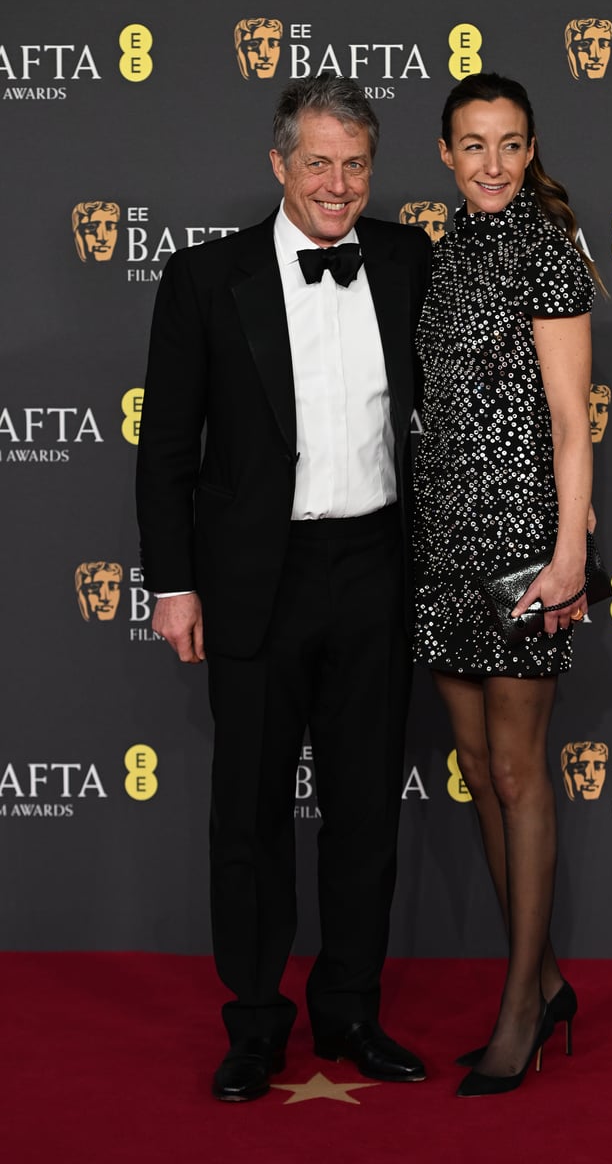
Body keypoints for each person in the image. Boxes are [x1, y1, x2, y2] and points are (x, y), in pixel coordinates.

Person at [136, 76, 431, 1102]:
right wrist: (171, 586)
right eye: (317, 162)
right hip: (254, 579)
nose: (337, 184)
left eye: (354, 163)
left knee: (364, 812)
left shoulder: (405, 260)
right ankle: (255, 1024)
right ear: (278, 165)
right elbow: (166, 450)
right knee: (247, 815)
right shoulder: (204, 277)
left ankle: (348, 1012)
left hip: (375, 571)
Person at [413, 72, 601, 1097]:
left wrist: (570, 553)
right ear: (444, 153)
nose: (492, 163)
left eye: (510, 143)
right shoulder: (439, 256)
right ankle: (549, 978)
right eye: (473, 144)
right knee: (479, 771)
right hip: (439, 543)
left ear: (531, 151)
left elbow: (571, 422)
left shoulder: (540, 248)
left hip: (524, 545)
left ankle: (521, 1005)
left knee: (520, 773)